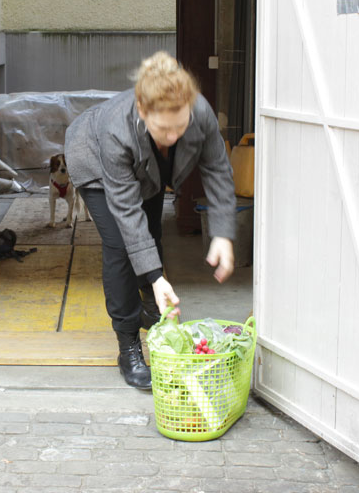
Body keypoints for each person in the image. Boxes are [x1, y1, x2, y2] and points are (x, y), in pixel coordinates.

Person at [64, 51, 237, 390]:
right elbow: (127, 212)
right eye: (163, 129)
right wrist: (158, 277)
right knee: (120, 247)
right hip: (96, 163)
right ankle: (127, 343)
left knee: (152, 233)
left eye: (180, 126)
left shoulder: (199, 112)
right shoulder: (118, 129)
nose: (173, 136)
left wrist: (222, 234)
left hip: (151, 171)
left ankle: (149, 306)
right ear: (143, 112)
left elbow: (217, 169)